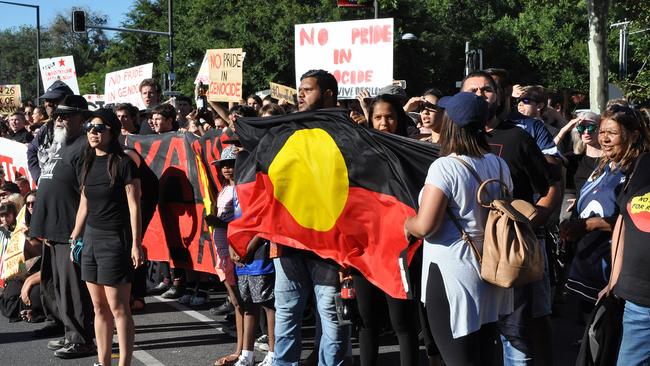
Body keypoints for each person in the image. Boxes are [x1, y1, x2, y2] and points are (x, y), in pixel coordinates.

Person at [404, 92, 513, 365]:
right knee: (487, 355)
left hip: (453, 274)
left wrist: (407, 222)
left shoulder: (445, 166)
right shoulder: (498, 164)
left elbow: (426, 226)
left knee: (458, 358)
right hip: (490, 270)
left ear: (452, 123)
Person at [461, 71, 561, 365]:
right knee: (473, 334)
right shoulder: (451, 140)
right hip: (466, 256)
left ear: (500, 95)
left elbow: (552, 184)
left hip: (509, 252)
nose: (480, 96)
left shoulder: (517, 137)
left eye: (486, 90)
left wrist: (535, 220)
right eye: (472, 91)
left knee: (516, 335)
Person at [274, 69, 350, 366]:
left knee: (332, 318)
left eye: (307, 89)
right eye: (299, 89)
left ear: (328, 93)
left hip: (331, 248)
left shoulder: (350, 132)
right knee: (287, 314)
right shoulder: (289, 128)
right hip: (289, 242)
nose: (300, 95)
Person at [69, 108, 143, 366]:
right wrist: (75, 235)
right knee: (98, 308)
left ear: (112, 132)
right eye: (90, 126)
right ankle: (104, 362)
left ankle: (124, 363)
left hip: (115, 240)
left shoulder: (123, 163)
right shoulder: (86, 162)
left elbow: (135, 206)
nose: (92, 131)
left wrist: (136, 244)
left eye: (99, 127)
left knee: (118, 308)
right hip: (90, 240)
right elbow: (84, 203)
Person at [28, 95, 96, 358]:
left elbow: (86, 191)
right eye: (58, 115)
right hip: (52, 228)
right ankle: (70, 333)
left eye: (66, 115)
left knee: (72, 288)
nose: (59, 119)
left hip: (69, 229)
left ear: (82, 118)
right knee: (57, 286)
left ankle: (82, 339)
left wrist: (79, 231)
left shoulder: (83, 146)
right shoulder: (61, 144)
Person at [357, 94, 421, 366]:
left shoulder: (413, 151)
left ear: (400, 119)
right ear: (370, 120)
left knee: (403, 323)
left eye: (390, 116)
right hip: (364, 249)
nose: (384, 123)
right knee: (366, 320)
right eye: (378, 117)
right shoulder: (358, 153)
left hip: (400, 249)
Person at [596, 105, 650, 365]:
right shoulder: (636, 169)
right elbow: (623, 223)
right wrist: (614, 282)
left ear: (634, 135)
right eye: (602, 131)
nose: (604, 138)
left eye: (612, 132)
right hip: (636, 297)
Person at [27, 80, 74, 182]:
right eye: (46, 100)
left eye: (53, 100)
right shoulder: (46, 127)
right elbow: (32, 150)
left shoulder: (78, 127)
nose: (48, 104)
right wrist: (38, 177)